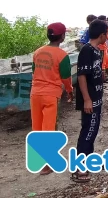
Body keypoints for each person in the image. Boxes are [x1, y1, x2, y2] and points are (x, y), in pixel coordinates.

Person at [30, 22, 74, 176]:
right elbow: (66, 78)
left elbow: (34, 72)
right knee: (49, 128)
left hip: (35, 94)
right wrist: (69, 91)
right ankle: (46, 165)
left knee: (37, 127)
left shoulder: (37, 52)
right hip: (51, 95)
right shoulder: (62, 56)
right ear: (62, 37)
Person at [72, 19, 107, 183]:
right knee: (88, 131)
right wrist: (86, 99)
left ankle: (89, 161)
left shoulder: (96, 51)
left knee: (92, 131)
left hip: (96, 98)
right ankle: (80, 167)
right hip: (90, 100)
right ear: (102, 35)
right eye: (106, 35)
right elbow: (81, 76)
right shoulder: (86, 50)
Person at [96, 16, 108, 83]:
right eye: (105, 20)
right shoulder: (99, 29)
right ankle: (103, 79)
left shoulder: (106, 28)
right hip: (101, 47)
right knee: (103, 63)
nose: (107, 21)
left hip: (105, 47)